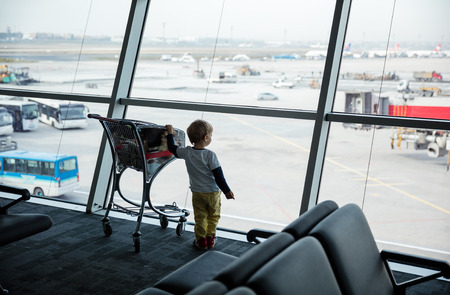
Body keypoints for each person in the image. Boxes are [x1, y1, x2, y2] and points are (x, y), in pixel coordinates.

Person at [166, 120, 234, 250]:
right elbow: (218, 176)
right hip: (212, 193)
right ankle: (211, 237)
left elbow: (172, 148)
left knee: (200, 217)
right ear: (206, 137)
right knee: (213, 216)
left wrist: (170, 133)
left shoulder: (186, 152)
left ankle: (201, 240)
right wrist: (227, 191)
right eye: (211, 135)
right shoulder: (210, 155)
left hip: (197, 193)